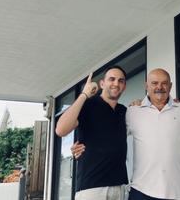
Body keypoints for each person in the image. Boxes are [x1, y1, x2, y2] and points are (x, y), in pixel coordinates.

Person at [72, 68, 180, 200]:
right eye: (154, 83)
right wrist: (83, 145)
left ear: (170, 86)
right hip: (140, 191)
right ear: (146, 86)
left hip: (175, 193)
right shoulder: (133, 111)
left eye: (164, 83)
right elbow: (108, 136)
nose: (159, 87)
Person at [55, 66, 129, 200]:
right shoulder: (87, 105)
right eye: (111, 79)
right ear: (102, 83)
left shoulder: (124, 111)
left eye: (121, 81)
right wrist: (84, 94)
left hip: (120, 187)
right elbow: (61, 130)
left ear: (124, 86)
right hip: (92, 189)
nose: (116, 83)